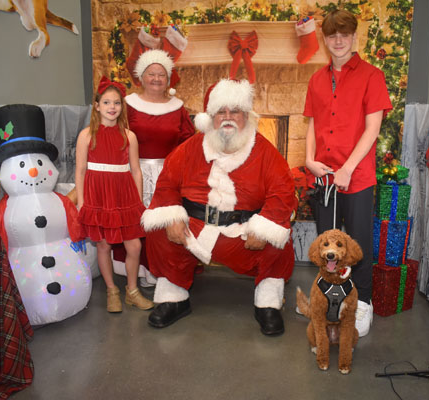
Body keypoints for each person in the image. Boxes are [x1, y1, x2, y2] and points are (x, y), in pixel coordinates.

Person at [141, 78, 297, 336]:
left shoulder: (265, 151)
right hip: (195, 230)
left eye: (234, 111)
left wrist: (263, 225)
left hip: (242, 234)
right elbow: (167, 183)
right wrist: (172, 216)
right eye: (220, 112)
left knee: (278, 240)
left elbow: (283, 192)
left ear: (246, 115)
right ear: (209, 117)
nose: (228, 118)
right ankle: (173, 297)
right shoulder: (189, 149)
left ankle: (267, 302)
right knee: (160, 229)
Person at [303, 10, 392, 337]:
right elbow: (312, 123)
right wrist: (309, 159)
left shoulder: (372, 76)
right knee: (327, 247)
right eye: (331, 36)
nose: (338, 41)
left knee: (356, 245)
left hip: (356, 178)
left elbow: (372, 129)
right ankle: (329, 301)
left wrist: (348, 169)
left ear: (355, 37)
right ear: (325, 40)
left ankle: (363, 302)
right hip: (324, 178)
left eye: (344, 34)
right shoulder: (316, 80)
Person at [112, 49, 195, 288]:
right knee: (136, 221)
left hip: (167, 176)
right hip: (133, 172)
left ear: (168, 79)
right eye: (151, 73)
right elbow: (115, 138)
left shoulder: (178, 108)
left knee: (162, 223)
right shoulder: (127, 105)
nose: (157, 78)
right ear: (141, 76)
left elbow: (188, 144)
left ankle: (162, 271)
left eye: (161, 74)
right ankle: (138, 270)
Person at [75, 76, 154, 313]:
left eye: (117, 103)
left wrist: (138, 203)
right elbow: (79, 171)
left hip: (124, 196)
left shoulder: (129, 136)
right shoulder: (86, 135)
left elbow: (136, 171)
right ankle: (112, 290)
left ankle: (132, 291)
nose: (112, 107)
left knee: (134, 247)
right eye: (107, 102)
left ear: (122, 107)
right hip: (98, 196)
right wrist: (82, 202)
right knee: (104, 246)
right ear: (97, 105)